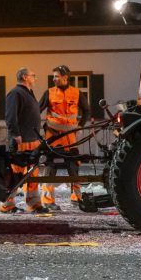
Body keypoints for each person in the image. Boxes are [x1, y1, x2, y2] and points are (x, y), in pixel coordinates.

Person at [38, 65, 88, 209]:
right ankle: (48, 201)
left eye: (56, 76)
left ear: (65, 77)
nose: (54, 79)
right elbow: (37, 110)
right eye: (53, 76)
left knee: (74, 165)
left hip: (70, 136)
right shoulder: (49, 93)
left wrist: (80, 126)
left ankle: (76, 198)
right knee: (50, 165)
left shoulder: (77, 93)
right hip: (52, 135)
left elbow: (87, 110)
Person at [0, 67, 48, 214]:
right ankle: (7, 204)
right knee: (16, 174)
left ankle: (34, 203)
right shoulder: (15, 93)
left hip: (32, 140)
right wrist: (15, 134)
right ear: (25, 77)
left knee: (33, 173)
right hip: (21, 141)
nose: (35, 78)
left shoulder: (28, 93)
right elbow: (10, 116)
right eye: (33, 76)